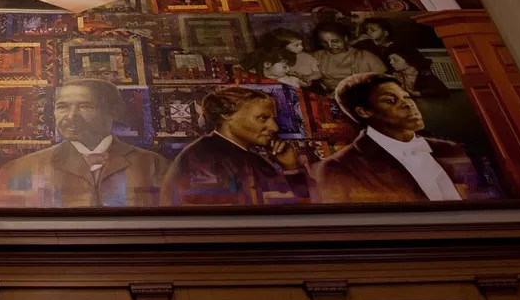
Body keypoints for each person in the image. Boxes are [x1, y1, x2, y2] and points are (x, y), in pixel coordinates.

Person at [310, 73, 486, 203]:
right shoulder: (340, 167)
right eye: (390, 101)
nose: (408, 104)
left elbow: (481, 199)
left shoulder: (449, 149)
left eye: (407, 97)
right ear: (364, 112)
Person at [0, 80, 170, 207]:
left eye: (86, 107)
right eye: (62, 107)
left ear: (116, 111)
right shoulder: (20, 169)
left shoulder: (154, 165)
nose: (71, 116)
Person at [160, 87, 306, 206]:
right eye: (263, 118)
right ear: (227, 115)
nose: (274, 127)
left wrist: (291, 168)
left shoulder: (251, 157)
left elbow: (299, 207)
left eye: (273, 119)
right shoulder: (202, 158)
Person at [312, 19, 386, 88]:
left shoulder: (366, 56)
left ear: (345, 38)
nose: (330, 46)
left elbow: (387, 81)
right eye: (324, 42)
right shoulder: (317, 56)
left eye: (335, 41)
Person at [248, 28, 323, 88]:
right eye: (296, 45)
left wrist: (305, 78)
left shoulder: (307, 57)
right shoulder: (268, 59)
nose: (302, 47)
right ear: (281, 46)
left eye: (301, 44)